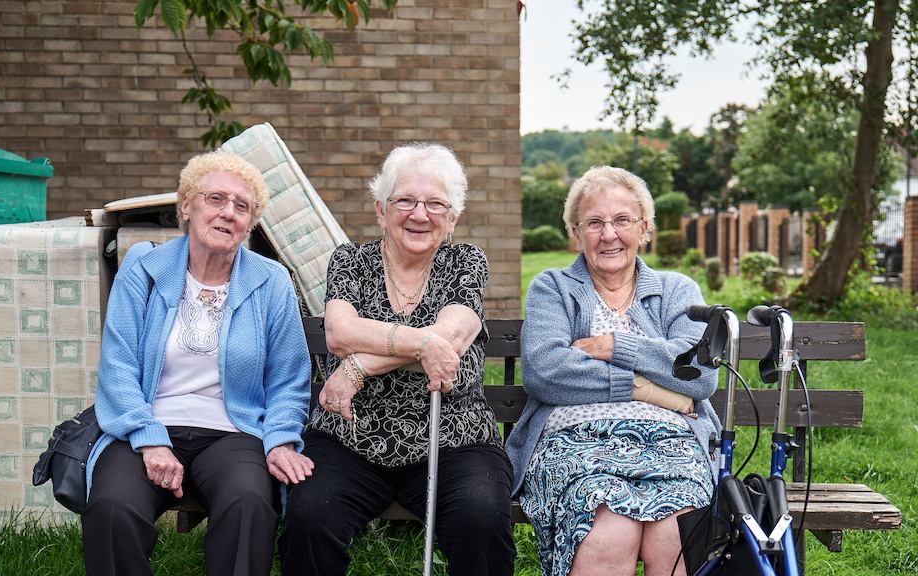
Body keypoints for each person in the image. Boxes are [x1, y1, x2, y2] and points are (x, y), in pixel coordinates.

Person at [279, 143, 516, 576]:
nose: (419, 213)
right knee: (311, 516)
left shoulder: (465, 261)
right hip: (351, 437)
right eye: (404, 200)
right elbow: (339, 332)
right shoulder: (351, 262)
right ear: (380, 209)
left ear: (453, 217)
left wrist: (359, 366)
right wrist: (422, 345)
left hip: (454, 439)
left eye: (435, 204)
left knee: (480, 516)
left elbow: (452, 339)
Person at [82, 150, 314, 576]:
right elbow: (118, 366)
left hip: (233, 431)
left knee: (249, 504)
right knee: (112, 507)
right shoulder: (144, 270)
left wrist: (280, 438)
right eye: (216, 199)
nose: (228, 213)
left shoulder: (270, 280)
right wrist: (150, 440)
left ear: (251, 222)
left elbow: (289, 379)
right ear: (186, 206)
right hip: (146, 427)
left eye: (242, 206)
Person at [505, 166, 721, 576]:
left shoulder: (678, 290)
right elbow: (546, 371)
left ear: (644, 229)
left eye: (622, 221)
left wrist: (614, 346)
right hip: (575, 444)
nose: (609, 235)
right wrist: (644, 387)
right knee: (609, 532)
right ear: (575, 232)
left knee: (674, 532)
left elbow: (698, 373)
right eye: (594, 223)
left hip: (673, 442)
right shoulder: (552, 288)